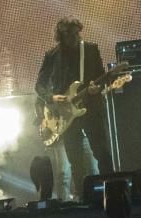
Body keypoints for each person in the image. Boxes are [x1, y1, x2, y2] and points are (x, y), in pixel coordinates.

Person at [34, 17, 114, 202]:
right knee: (76, 162)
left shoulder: (91, 50)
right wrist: (52, 98)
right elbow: (39, 85)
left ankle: (112, 194)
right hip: (65, 115)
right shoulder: (52, 55)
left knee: (102, 154)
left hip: (90, 109)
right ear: (61, 36)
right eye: (71, 35)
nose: (76, 38)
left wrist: (96, 88)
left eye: (78, 33)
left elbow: (102, 77)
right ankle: (85, 199)